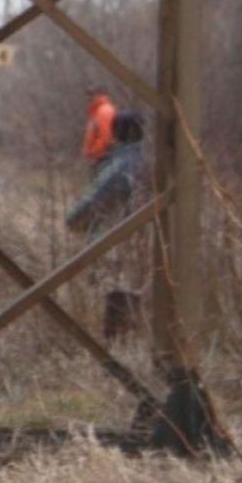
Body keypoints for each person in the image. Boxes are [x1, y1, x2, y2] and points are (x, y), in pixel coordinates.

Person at [67, 110, 150, 340]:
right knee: (134, 294)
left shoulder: (121, 165)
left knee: (116, 293)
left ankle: (117, 348)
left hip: (116, 239)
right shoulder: (150, 160)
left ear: (116, 133)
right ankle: (130, 345)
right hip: (145, 242)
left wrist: (73, 222)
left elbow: (96, 200)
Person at [82, 87, 117, 164]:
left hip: (103, 156)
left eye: (92, 94)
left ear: (100, 94)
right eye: (89, 95)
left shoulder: (104, 111)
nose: (89, 98)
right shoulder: (97, 110)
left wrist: (93, 152)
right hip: (99, 155)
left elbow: (105, 137)